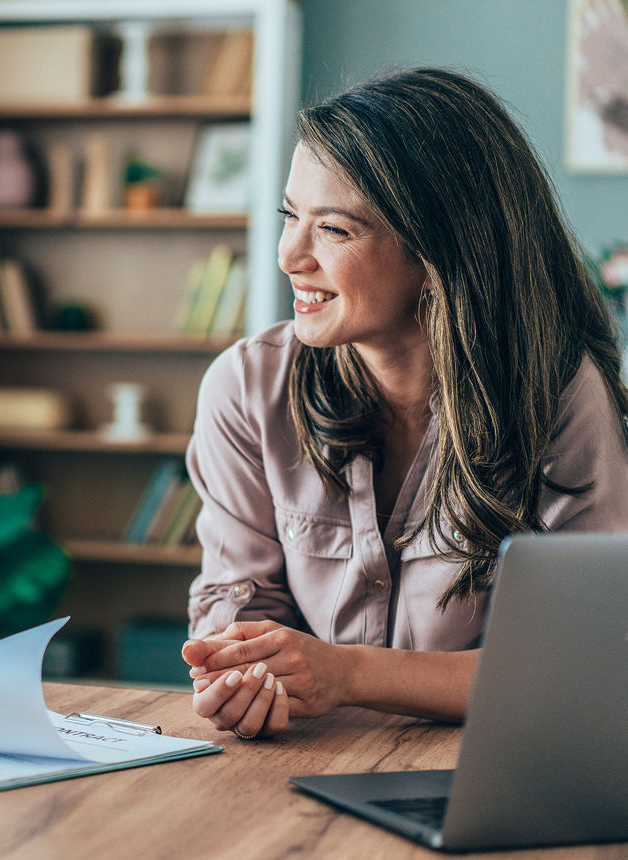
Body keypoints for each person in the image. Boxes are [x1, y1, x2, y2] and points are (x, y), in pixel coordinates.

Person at [180, 67, 628, 742]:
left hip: (484, 774)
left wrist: (348, 674)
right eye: (290, 217)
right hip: (305, 773)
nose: (289, 255)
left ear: (440, 248)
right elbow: (237, 608)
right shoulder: (246, 388)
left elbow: (579, 667)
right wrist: (239, 672)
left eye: (332, 229)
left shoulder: (562, 399)